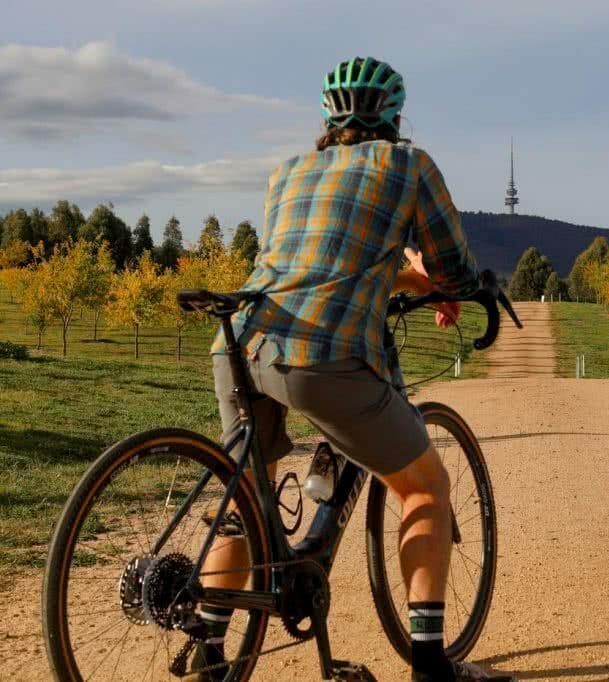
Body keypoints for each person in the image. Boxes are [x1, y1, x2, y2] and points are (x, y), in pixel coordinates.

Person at [197, 57, 514, 682]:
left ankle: (208, 649)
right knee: (424, 487)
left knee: (244, 502)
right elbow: (449, 264)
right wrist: (457, 286)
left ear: (327, 117)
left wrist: (405, 273)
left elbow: (320, 261)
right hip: (325, 351)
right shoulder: (408, 164)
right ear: (394, 115)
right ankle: (430, 663)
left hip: (242, 342)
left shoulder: (286, 172)